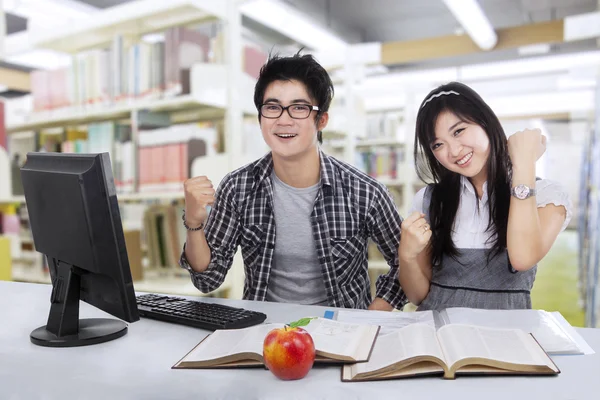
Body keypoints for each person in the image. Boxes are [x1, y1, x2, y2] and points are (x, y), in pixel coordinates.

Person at [179, 52, 406, 310]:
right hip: (265, 334)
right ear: (260, 118)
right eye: (272, 107)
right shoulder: (237, 187)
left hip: (342, 335)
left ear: (321, 120)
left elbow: (405, 262)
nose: (283, 119)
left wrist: (371, 316)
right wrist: (194, 223)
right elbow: (208, 279)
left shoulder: (365, 191)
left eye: (299, 108)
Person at [398, 81, 572, 311]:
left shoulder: (548, 196)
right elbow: (419, 297)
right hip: (437, 338)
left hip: (504, 340)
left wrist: (523, 165)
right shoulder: (429, 199)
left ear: (486, 122)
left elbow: (522, 258)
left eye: (458, 131)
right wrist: (407, 256)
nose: (454, 151)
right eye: (438, 144)